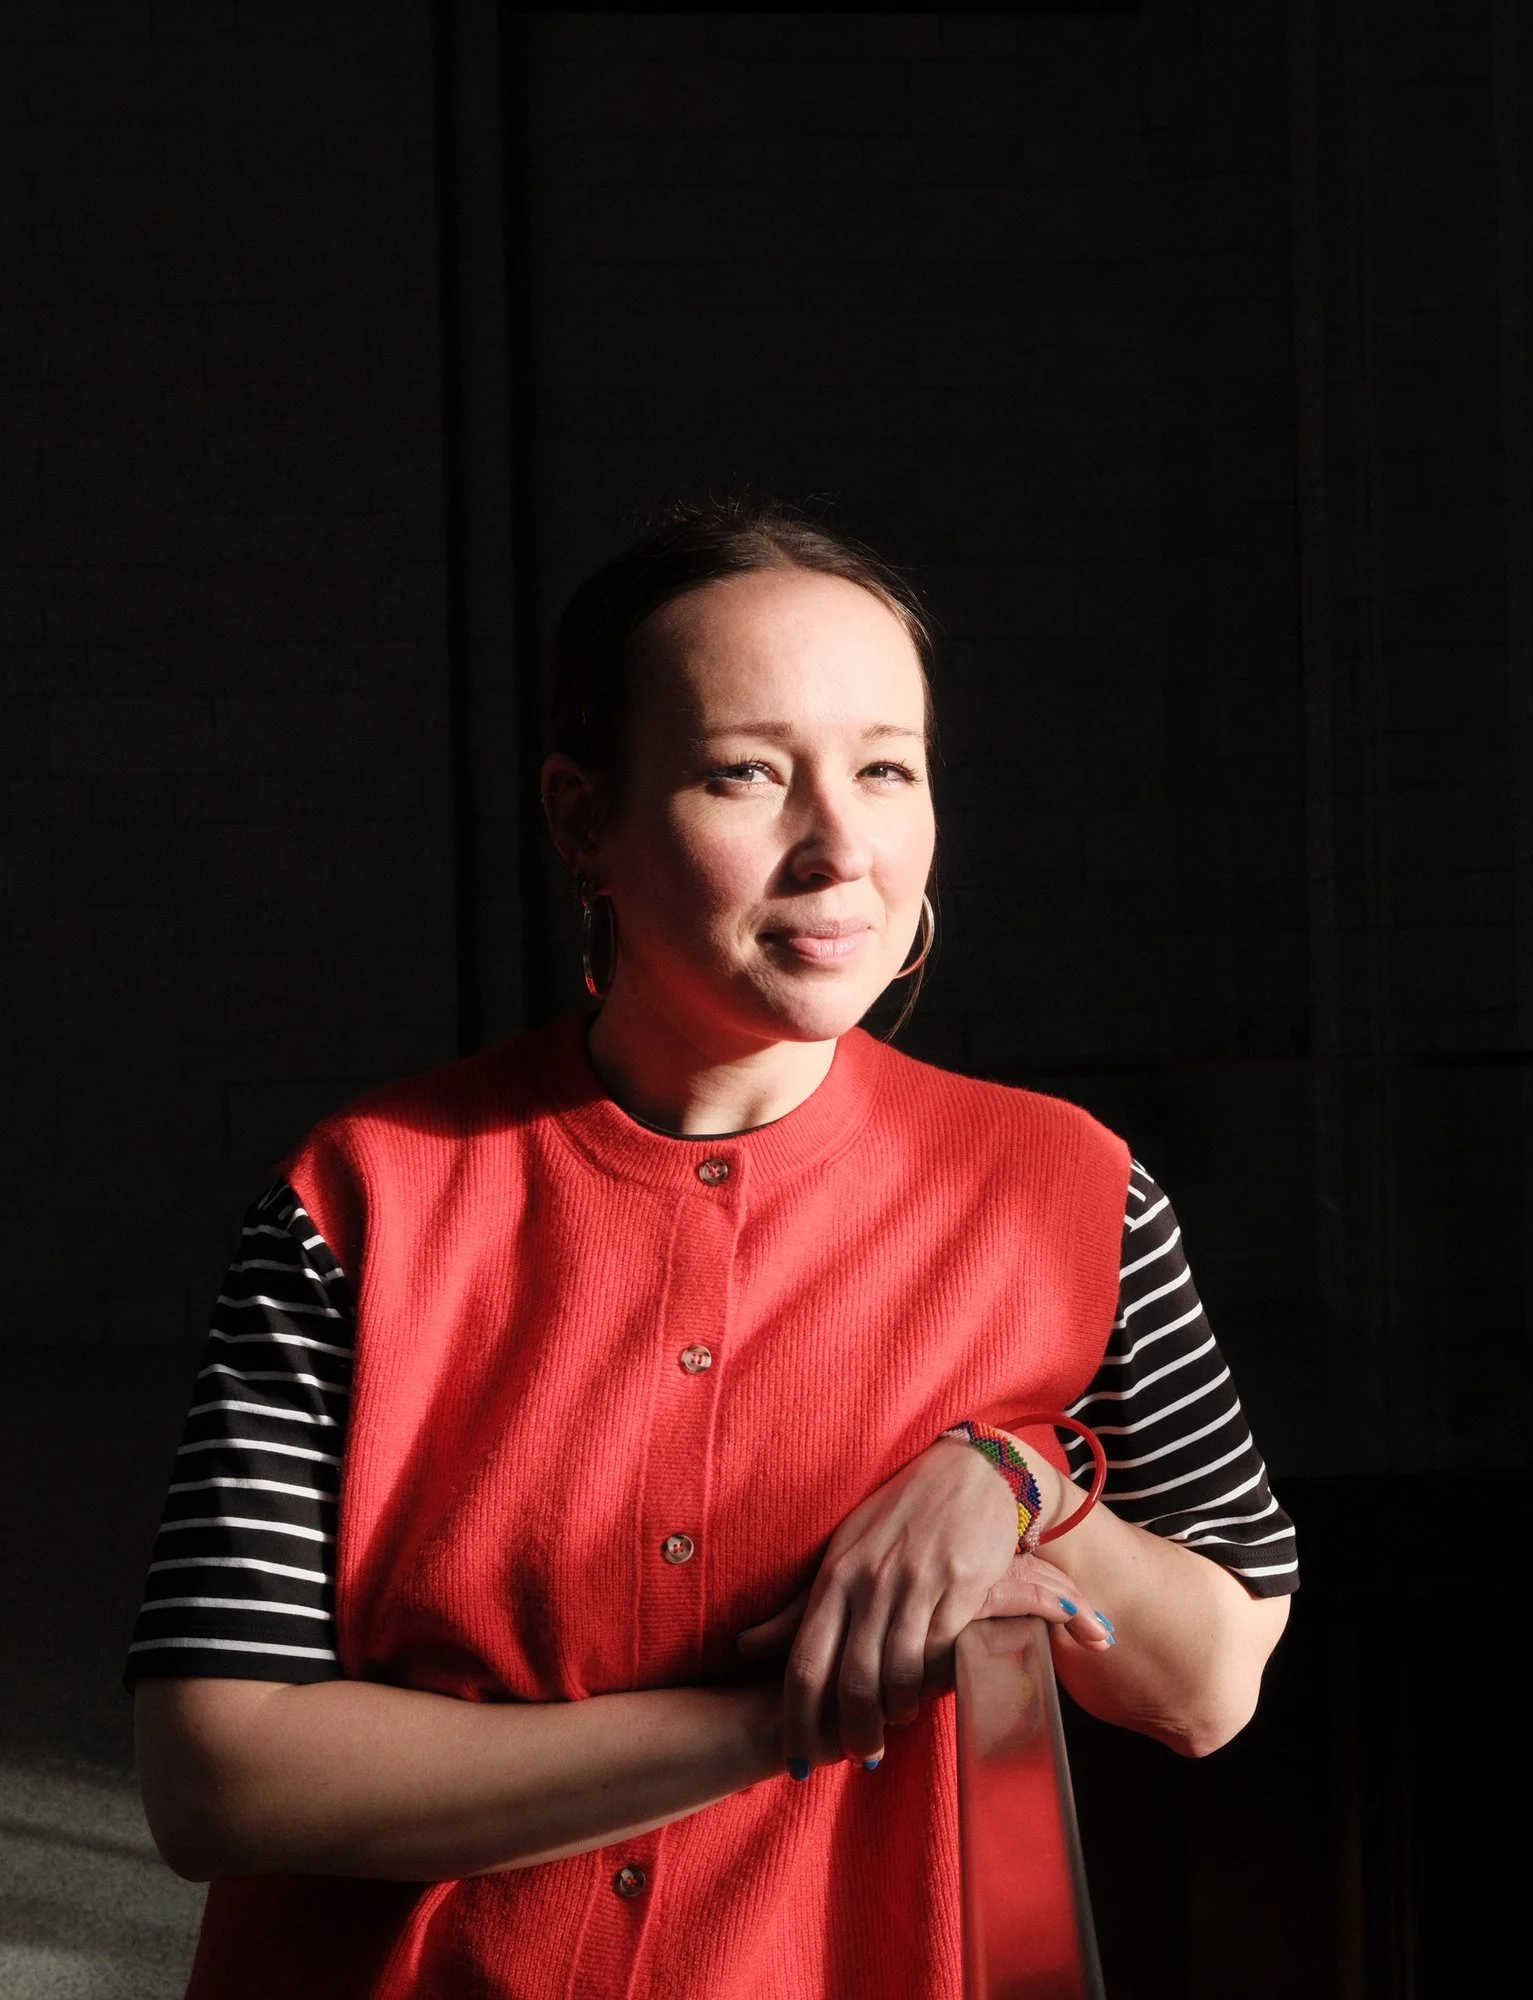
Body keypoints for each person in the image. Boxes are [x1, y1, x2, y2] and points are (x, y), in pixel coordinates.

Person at [126, 499, 1299, 1998]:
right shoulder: (363, 1195)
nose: (839, 849)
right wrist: (774, 1722)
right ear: (581, 821)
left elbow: (1209, 1682)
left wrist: (1023, 1490)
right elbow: (218, 1776)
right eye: (747, 773)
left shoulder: (1068, 1186)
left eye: (887, 768)